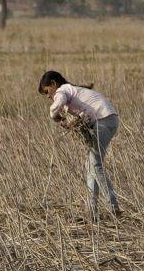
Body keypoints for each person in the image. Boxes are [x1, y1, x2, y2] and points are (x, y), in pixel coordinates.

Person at [38, 71, 123, 222]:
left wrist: (55, 116)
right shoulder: (73, 90)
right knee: (90, 166)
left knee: (96, 165)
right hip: (110, 119)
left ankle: (114, 208)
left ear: (53, 84)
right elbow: (82, 115)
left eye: (47, 91)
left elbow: (54, 108)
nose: (48, 96)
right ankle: (91, 213)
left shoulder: (62, 90)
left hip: (103, 119)